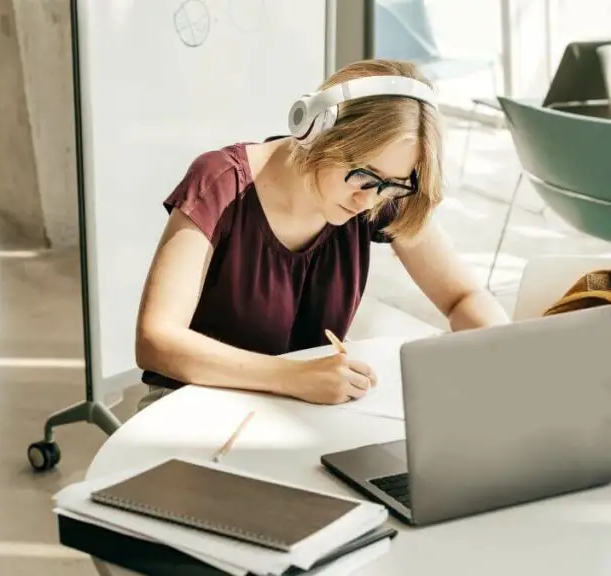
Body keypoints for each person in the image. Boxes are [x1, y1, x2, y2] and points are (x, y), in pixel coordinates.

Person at [133, 59, 509, 412]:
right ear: (317, 131)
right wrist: (293, 378)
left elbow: (463, 297)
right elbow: (156, 340)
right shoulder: (221, 181)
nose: (369, 199)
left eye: (393, 185)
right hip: (191, 409)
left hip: (297, 411)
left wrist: (514, 363)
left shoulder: (377, 195)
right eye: (363, 174)